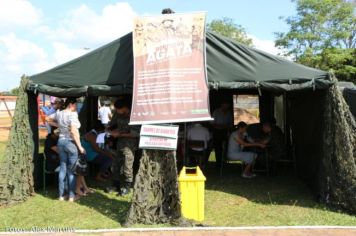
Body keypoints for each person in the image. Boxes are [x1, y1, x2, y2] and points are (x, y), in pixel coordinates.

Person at [46, 98, 85, 202]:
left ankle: (61, 196)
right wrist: (80, 147)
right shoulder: (73, 114)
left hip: (61, 142)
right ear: (71, 104)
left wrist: (59, 125)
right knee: (72, 170)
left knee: (63, 168)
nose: (76, 106)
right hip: (70, 143)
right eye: (75, 104)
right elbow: (73, 131)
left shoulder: (59, 113)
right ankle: (72, 196)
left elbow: (47, 118)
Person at [107, 97, 139, 196]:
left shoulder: (133, 116)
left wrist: (119, 134)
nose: (117, 111)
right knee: (116, 165)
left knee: (127, 167)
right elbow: (114, 124)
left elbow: (135, 133)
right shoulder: (118, 114)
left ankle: (127, 187)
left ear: (124, 108)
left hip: (130, 146)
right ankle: (115, 185)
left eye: (118, 109)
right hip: (119, 144)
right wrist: (110, 131)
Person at [212, 102, 233, 169]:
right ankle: (218, 164)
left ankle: (224, 162)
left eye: (227, 105)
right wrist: (221, 126)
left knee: (226, 147)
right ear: (222, 105)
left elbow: (230, 123)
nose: (226, 106)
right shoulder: (216, 112)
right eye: (225, 105)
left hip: (225, 131)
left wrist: (226, 126)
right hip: (217, 132)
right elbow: (212, 123)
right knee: (218, 148)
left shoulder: (229, 112)